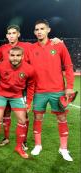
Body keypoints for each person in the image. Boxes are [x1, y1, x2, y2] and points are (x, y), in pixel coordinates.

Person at [29, 19, 75, 161]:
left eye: (42, 29)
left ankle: (63, 149)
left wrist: (69, 87)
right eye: (36, 29)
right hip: (39, 91)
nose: (39, 32)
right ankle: (38, 145)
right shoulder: (31, 48)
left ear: (48, 30)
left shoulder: (59, 45)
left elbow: (68, 66)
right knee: (37, 117)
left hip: (57, 90)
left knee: (61, 117)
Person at [0, 46, 35, 159]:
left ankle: (18, 147)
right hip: (1, 94)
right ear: (8, 56)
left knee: (22, 121)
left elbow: (31, 85)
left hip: (17, 95)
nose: (15, 58)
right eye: (12, 55)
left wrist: (28, 101)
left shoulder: (29, 69)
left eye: (18, 55)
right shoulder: (1, 65)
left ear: (22, 56)